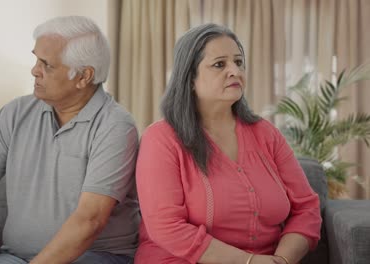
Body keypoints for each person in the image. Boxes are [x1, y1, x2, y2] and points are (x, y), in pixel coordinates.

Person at [0, 16, 140, 264]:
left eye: (47, 64)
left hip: (95, 256)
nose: (35, 70)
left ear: (83, 77)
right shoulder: (15, 113)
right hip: (16, 257)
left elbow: (90, 219)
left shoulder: (116, 126)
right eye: (36, 59)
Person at [135, 24, 321, 264]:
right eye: (219, 64)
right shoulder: (161, 139)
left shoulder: (266, 134)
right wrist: (249, 262)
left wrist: (281, 260)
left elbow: (306, 208)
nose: (235, 71)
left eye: (239, 62)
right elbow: (166, 226)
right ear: (190, 78)